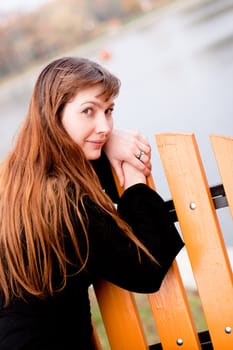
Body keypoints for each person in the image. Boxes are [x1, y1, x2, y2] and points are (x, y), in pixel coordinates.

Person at [0, 56, 184, 350]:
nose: (105, 125)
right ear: (53, 114)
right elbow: (146, 269)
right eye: (88, 111)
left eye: (109, 111)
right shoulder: (67, 204)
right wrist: (135, 175)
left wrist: (107, 141)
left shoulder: (15, 182)